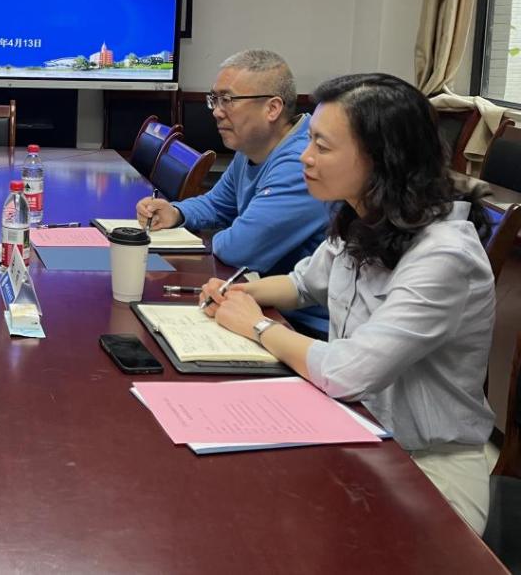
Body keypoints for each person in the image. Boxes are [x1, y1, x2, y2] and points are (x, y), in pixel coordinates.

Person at [201, 73, 495, 533]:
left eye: (322, 145)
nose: (305, 156)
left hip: (426, 467)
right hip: (352, 428)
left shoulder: (444, 254)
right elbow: (303, 284)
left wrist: (257, 327)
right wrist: (240, 293)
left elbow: (348, 372)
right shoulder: (364, 215)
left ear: (382, 158)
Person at [136, 49, 330, 277]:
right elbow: (216, 204)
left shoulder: (303, 163)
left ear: (272, 108)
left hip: (290, 300)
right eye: (215, 100)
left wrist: (228, 235)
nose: (217, 112)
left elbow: (239, 249)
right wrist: (176, 213)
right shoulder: (252, 146)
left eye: (227, 100)